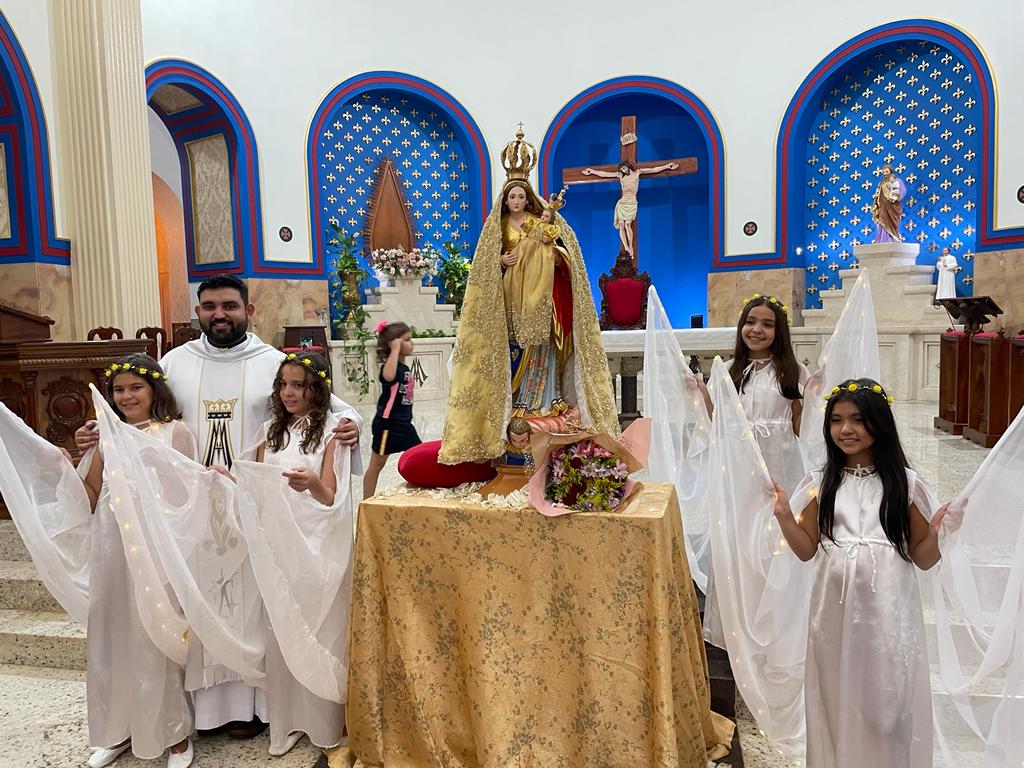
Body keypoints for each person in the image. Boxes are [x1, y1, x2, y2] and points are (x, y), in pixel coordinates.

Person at [76, 274, 362, 739]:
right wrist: (98, 433)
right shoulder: (173, 362)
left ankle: (258, 706)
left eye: (229, 306)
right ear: (198, 312)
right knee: (201, 595)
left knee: (255, 603)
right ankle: (202, 708)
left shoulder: (273, 360)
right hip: (192, 504)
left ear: (248, 311)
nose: (219, 315)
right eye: (209, 307)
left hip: (254, 504)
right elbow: (141, 413)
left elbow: (333, 409)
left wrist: (349, 427)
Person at [773, 379, 945, 767]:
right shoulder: (822, 483)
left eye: (857, 420)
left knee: (886, 700)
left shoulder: (904, 484)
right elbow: (805, 549)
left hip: (887, 615)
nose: (845, 430)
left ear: (879, 425)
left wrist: (939, 532)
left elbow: (923, 557)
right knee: (836, 695)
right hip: (832, 616)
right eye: (836, 420)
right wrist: (785, 516)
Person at [439, 138, 617, 466]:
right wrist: (500, 264)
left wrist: (551, 253)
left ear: (528, 198)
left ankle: (545, 399)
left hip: (540, 304)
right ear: (505, 200)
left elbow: (560, 249)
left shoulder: (539, 222)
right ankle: (518, 401)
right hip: (509, 303)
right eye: (513, 196)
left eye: (522, 196)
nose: (518, 201)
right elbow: (483, 270)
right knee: (512, 350)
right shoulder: (498, 228)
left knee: (543, 350)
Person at [225, 351, 351, 756]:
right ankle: (289, 721)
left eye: (299, 385)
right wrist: (226, 478)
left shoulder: (332, 431)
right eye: (284, 385)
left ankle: (324, 723)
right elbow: (254, 482)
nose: (289, 392)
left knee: (318, 628)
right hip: (276, 542)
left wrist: (311, 482)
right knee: (281, 629)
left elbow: (331, 496)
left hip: (314, 542)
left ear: (318, 388)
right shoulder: (269, 431)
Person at [78, 355, 195, 768]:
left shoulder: (174, 432)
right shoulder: (107, 436)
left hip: (155, 549)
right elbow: (91, 495)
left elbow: (186, 497)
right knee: (112, 634)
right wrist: (72, 459)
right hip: (112, 546)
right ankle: (118, 728)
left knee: (154, 635)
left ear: (154, 390)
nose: (126, 396)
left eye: (135, 388)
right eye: (118, 390)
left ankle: (174, 733)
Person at [724, 294, 809, 496]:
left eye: (767, 324)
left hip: (780, 458)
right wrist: (700, 392)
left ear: (779, 331)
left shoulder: (793, 371)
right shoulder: (728, 371)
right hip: (740, 458)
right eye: (750, 322)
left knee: (779, 512)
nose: (756, 330)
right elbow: (717, 420)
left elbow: (800, 423)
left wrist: (815, 396)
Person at [363, 321, 421, 498]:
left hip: (404, 425)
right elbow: (387, 376)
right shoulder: (390, 367)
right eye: (407, 340)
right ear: (395, 343)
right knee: (377, 464)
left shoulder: (403, 367)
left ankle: (416, 492)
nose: (412, 343)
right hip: (387, 426)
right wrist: (394, 350)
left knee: (419, 457)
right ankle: (366, 501)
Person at [581, 159, 679, 257]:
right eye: (622, 169)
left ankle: (630, 246)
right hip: (622, 203)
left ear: (628, 166)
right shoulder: (620, 175)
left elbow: (653, 170)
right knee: (621, 225)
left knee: (628, 224)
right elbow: (605, 174)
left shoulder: (637, 173)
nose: (623, 171)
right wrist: (592, 171)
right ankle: (626, 248)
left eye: (624, 168)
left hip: (631, 203)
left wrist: (667, 166)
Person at [871, 165, 907, 243]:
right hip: (882, 206)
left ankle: (892, 237)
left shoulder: (896, 181)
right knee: (882, 220)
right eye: (883, 172)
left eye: (887, 171)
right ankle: (881, 239)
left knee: (892, 221)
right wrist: (876, 204)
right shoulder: (882, 183)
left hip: (892, 206)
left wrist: (895, 197)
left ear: (891, 171)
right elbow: (878, 194)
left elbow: (903, 191)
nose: (885, 173)